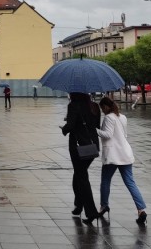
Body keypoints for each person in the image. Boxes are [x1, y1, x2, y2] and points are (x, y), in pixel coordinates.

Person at [96, 96, 148, 226]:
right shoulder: (122, 117)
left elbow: (108, 134)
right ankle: (141, 210)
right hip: (125, 154)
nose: (102, 110)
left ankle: (104, 206)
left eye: (102, 108)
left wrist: (94, 130)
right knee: (130, 183)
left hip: (113, 155)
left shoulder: (109, 118)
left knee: (105, 181)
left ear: (105, 107)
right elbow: (124, 135)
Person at [60, 92, 101, 224]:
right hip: (93, 146)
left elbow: (70, 126)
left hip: (78, 147)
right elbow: (96, 125)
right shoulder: (94, 106)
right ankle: (78, 206)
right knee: (79, 175)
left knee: (81, 178)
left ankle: (91, 212)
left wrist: (64, 129)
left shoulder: (73, 105)